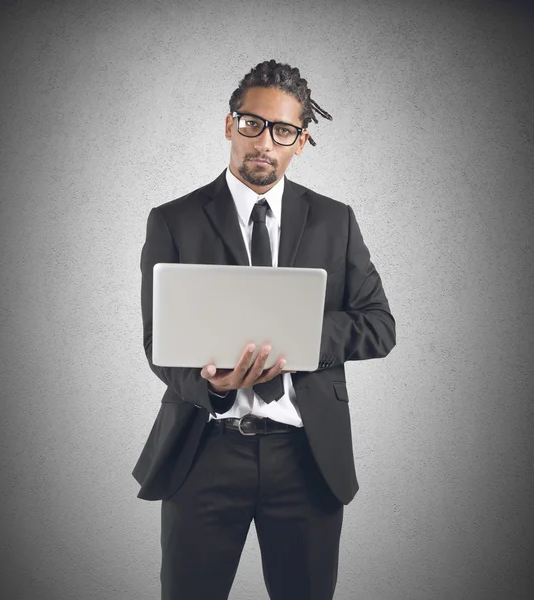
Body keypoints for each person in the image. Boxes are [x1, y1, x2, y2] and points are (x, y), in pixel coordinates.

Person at [133, 59, 396, 600]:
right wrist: (212, 387)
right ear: (230, 125)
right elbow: (159, 342)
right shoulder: (173, 220)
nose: (265, 143)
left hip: (307, 457)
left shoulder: (335, 220)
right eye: (252, 124)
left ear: (300, 142)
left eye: (283, 131)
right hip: (203, 451)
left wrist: (295, 337)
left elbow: (379, 326)